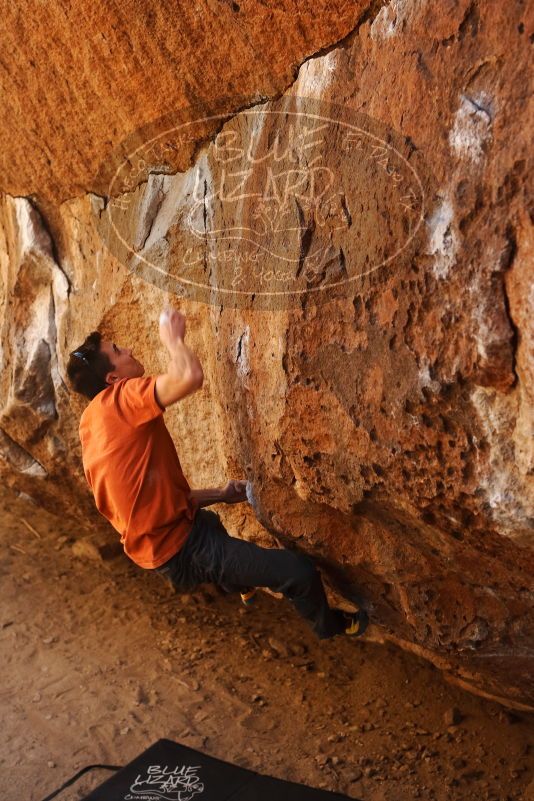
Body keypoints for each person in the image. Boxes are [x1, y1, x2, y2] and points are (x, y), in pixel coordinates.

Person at [66, 306, 368, 640]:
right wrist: (173, 340)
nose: (130, 350)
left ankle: (237, 582)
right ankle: (332, 626)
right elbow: (189, 378)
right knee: (299, 573)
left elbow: (155, 500)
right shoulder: (122, 398)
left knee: (211, 522)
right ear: (112, 379)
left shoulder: (92, 421)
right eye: (119, 351)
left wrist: (222, 495)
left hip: (162, 547)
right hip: (184, 550)